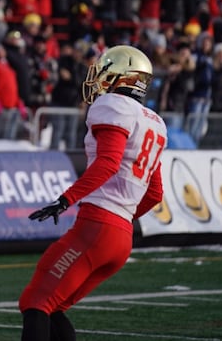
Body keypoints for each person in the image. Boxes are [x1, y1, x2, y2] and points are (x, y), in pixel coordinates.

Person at [19, 45, 167, 341]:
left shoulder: (113, 105)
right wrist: (121, 220)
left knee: (36, 301)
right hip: (121, 237)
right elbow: (155, 193)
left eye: (105, 70)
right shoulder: (154, 121)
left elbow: (109, 163)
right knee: (53, 305)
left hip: (98, 226)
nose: (99, 77)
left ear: (122, 77)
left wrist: (66, 200)